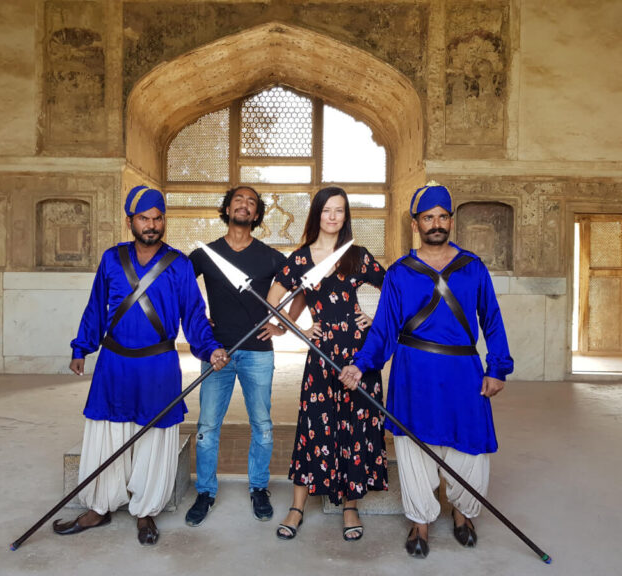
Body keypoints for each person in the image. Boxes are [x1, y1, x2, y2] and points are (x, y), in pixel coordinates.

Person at [339, 182, 513, 559]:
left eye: (443, 217)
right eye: (428, 217)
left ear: (451, 221)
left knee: (470, 447)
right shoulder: (400, 272)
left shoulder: (473, 268)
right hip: (413, 370)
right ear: (415, 223)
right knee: (414, 447)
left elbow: (493, 321)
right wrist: (360, 364)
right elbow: (384, 328)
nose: (436, 223)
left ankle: (463, 513)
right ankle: (420, 522)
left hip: (464, 370)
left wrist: (497, 367)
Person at [54, 185, 229, 546]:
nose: (151, 225)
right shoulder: (111, 259)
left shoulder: (179, 265)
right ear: (130, 220)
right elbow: (96, 306)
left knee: (153, 436)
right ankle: (99, 507)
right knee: (106, 434)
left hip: (158, 365)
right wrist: (81, 348)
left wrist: (209, 349)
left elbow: (195, 316)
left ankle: (146, 511)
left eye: (157, 218)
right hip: (114, 362)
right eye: (144, 218)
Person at [267, 186, 388, 542]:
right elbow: (274, 299)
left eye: (340, 211)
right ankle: (297, 506)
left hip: (358, 354)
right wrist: (301, 329)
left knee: (356, 426)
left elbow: (395, 289)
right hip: (322, 354)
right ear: (316, 214)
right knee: (313, 427)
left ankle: (350, 505)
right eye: (327, 210)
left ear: (345, 216)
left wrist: (376, 320)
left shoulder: (357, 256)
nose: (333, 217)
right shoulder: (302, 258)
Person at [185, 186, 286, 525]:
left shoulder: (270, 257)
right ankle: (205, 492)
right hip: (218, 352)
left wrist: (282, 327)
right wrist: (200, 322)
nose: (244, 206)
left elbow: (299, 289)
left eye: (251, 203)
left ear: (257, 215)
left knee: (262, 425)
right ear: (227, 208)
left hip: (259, 352)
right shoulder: (205, 254)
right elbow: (183, 294)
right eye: (238, 200)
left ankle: (259, 487)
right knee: (207, 426)